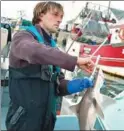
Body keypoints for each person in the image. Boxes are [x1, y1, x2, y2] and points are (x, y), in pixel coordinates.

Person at [5, 2, 95, 131]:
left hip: (46, 122)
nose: (60, 20)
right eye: (55, 15)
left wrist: (76, 85)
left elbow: (57, 85)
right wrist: (75, 60)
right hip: (23, 122)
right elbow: (34, 52)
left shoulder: (53, 48)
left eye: (62, 16)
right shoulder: (22, 37)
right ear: (41, 15)